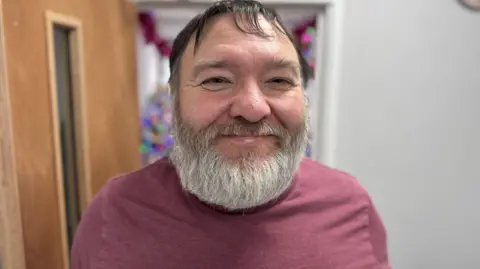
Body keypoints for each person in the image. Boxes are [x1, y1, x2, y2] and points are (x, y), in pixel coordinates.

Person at [71, 0, 391, 268]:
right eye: (216, 80)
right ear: (174, 101)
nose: (252, 108)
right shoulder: (114, 212)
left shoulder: (352, 208)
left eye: (279, 81)